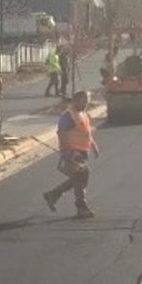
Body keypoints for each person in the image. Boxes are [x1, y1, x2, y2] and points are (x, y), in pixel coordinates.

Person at [44, 89, 100, 218]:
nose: (86, 103)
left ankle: (53, 194)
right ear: (75, 100)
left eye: (87, 101)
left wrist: (93, 146)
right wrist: (68, 151)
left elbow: (85, 133)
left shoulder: (84, 114)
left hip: (81, 152)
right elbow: (61, 133)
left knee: (79, 178)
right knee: (82, 176)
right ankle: (81, 207)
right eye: (83, 101)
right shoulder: (68, 115)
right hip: (72, 152)